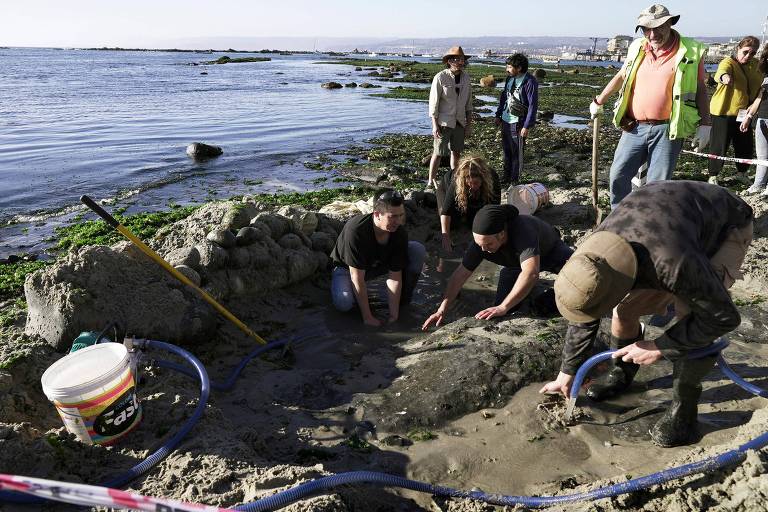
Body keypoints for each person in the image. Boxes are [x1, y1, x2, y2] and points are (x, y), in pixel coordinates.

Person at [540, 181, 753, 447]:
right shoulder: (590, 256)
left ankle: (683, 414)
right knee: (624, 311)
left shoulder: (671, 264)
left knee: (692, 316)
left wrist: (660, 346)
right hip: (667, 224)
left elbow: (722, 317)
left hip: (725, 226)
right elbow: (585, 307)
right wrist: (567, 372)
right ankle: (622, 372)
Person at [589, 4, 711, 209]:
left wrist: (705, 124)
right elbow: (622, 75)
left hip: (668, 128)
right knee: (618, 175)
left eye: (658, 27)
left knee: (658, 185)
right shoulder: (637, 47)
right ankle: (618, 217)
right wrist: (599, 101)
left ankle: (651, 222)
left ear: (670, 23)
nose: (652, 34)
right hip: (634, 127)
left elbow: (700, 88)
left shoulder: (690, 50)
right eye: (646, 29)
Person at [422, 204, 573, 330]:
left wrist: (504, 307)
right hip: (515, 266)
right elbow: (459, 275)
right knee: (499, 312)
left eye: (488, 244)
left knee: (579, 279)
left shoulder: (523, 230)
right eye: (480, 244)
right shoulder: (480, 245)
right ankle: (526, 297)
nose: (483, 249)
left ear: (502, 234)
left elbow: (531, 273)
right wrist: (442, 309)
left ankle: (545, 299)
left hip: (551, 252)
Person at [330, 190, 426, 327]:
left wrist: (394, 315)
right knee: (343, 302)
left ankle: (403, 300)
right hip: (347, 268)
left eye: (400, 215)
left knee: (417, 250)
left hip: (377, 265)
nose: (398, 221)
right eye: (392, 217)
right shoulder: (356, 230)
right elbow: (356, 278)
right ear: (377, 214)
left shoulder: (398, 231)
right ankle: (345, 292)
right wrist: (368, 317)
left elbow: (394, 278)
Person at [709, 36, 763, 185]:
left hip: (745, 113)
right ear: (738, 48)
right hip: (723, 112)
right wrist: (724, 77)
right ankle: (713, 175)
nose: (747, 56)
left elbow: (762, 78)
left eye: (752, 53)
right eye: (745, 52)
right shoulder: (728, 62)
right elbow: (721, 71)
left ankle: (742, 173)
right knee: (719, 144)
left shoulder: (756, 65)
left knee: (745, 144)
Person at [428, 46, 473, 188]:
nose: (460, 62)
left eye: (462, 59)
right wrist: (435, 125)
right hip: (444, 122)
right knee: (438, 152)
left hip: (460, 121)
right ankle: (431, 181)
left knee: (457, 152)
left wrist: (469, 125)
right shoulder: (440, 77)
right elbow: (433, 103)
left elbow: (469, 104)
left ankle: (455, 180)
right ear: (449, 61)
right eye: (457, 59)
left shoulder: (466, 78)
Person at [439, 155, 501, 253]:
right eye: (470, 183)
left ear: (483, 179)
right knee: (453, 223)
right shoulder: (457, 180)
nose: (472, 186)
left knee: (474, 223)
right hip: (446, 187)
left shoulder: (493, 178)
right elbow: (446, 211)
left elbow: (494, 209)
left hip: (481, 192)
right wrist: (445, 236)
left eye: (475, 183)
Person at [495, 53, 538, 185]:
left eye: (509, 66)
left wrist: (526, 126)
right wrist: (498, 115)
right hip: (506, 120)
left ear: (519, 68)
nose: (507, 69)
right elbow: (504, 97)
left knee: (517, 152)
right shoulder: (509, 79)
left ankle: (515, 179)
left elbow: (533, 105)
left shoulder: (530, 82)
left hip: (518, 123)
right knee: (506, 150)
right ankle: (506, 177)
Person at [741, 44, 768, 195]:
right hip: (762, 119)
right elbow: (759, 99)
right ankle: (758, 184)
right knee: (762, 156)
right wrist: (749, 116)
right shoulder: (765, 78)